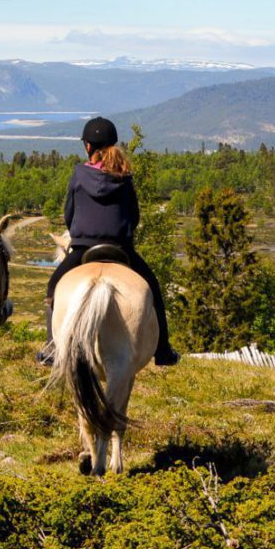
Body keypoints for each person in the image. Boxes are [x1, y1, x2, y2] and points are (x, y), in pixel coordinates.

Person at [40, 116, 178, 367]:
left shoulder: (79, 175)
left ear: (89, 147)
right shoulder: (125, 177)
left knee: (53, 288)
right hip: (121, 248)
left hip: (82, 247)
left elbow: (69, 214)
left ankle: (51, 347)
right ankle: (163, 349)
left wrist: (80, 233)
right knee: (154, 289)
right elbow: (134, 216)